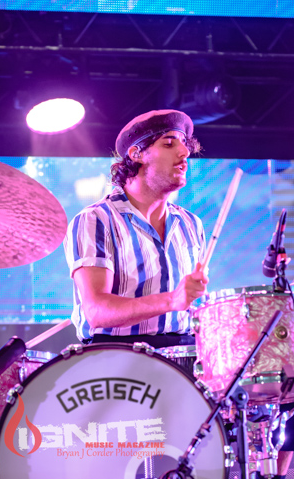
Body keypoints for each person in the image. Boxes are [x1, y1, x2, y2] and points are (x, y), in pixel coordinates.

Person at [64, 109, 207, 347]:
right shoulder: (96, 219)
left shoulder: (191, 223)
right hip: (117, 355)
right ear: (136, 154)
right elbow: (97, 312)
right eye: (169, 144)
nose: (184, 152)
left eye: (185, 144)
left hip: (184, 352)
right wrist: (172, 300)